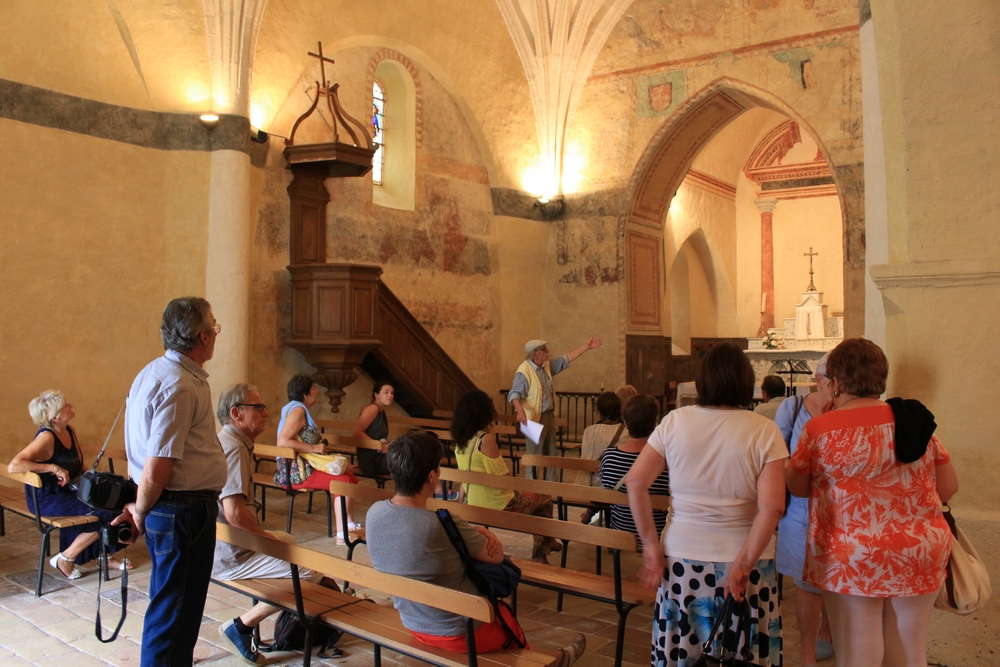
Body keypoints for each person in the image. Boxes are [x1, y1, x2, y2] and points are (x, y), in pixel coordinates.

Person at [786, 338, 959, 667]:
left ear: (835, 382)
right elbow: (948, 487)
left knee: (858, 651)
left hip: (851, 555)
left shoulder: (819, 428)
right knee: (908, 650)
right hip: (917, 550)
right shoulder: (914, 421)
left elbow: (798, 487)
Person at [625, 342, 787, 667]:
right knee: (743, 654)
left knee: (685, 652)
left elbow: (635, 482)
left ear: (702, 381)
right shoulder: (764, 431)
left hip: (683, 558)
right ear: (745, 381)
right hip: (747, 560)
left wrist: (651, 547)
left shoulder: (674, 422)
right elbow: (772, 508)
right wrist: (741, 566)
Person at [366, 430, 586, 666]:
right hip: (459, 629)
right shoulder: (441, 524)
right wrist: (485, 533)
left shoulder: (374, 513)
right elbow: (497, 556)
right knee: (508, 629)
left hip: (413, 621)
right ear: (432, 476)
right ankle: (555, 661)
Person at [119, 296, 228, 667]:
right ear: (202, 335)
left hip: (174, 507)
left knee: (175, 608)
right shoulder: (180, 384)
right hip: (181, 510)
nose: (216, 332)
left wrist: (141, 506)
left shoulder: (154, 371)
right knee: (175, 612)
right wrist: (139, 512)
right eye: (214, 325)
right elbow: (158, 466)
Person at [213, 383, 329, 663]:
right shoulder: (233, 449)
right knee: (309, 572)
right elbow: (235, 515)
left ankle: (290, 613)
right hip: (230, 553)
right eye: (259, 407)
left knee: (288, 542)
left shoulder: (229, 440)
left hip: (223, 542)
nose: (267, 412)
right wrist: (265, 539)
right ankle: (242, 625)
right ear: (236, 414)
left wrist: (270, 538)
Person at [8, 390, 131, 579]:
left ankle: (103, 555)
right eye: (66, 406)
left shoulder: (69, 430)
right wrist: (53, 468)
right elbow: (14, 465)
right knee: (108, 510)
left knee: (118, 499)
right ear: (55, 417)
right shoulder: (46, 437)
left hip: (69, 491)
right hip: (48, 498)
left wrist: (94, 479)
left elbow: (76, 461)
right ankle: (66, 557)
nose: (70, 406)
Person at [774, 354, 835, 667]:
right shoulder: (793, 407)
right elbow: (777, 450)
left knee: (834, 579)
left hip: (837, 506)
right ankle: (807, 650)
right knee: (806, 582)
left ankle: (829, 630)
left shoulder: (845, 407)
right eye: (828, 380)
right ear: (818, 378)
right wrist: (796, 470)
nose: (832, 387)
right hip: (800, 503)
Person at [451, 390, 557, 563]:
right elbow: (504, 478)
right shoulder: (485, 439)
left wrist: (461, 504)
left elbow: (465, 478)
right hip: (498, 504)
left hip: (473, 502)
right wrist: (522, 491)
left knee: (537, 499)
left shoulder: (460, 442)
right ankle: (540, 553)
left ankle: (547, 541)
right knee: (544, 499)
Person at [278, 374, 360, 545]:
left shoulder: (295, 407)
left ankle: (349, 525)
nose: (317, 391)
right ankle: (342, 534)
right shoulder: (298, 410)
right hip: (295, 472)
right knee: (343, 482)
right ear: (305, 395)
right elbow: (283, 442)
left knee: (351, 478)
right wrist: (315, 447)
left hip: (300, 467)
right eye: (314, 388)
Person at [509, 337, 602, 480]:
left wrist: (586, 346)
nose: (548, 351)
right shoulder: (524, 371)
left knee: (551, 455)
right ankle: (531, 492)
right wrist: (520, 411)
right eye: (544, 349)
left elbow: (566, 359)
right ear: (535, 354)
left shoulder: (545, 366)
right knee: (533, 457)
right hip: (532, 420)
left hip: (548, 416)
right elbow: (514, 394)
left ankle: (550, 488)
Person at [598, 394, 669, 539]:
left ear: (625, 423)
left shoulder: (609, 456)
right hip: (658, 536)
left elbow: (606, 485)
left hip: (622, 535)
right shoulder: (666, 461)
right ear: (655, 424)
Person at [576, 391, 628, 488]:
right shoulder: (628, 430)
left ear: (599, 411)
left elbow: (586, 464)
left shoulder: (591, 431)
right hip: (624, 488)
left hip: (599, 488)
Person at [352, 381, 395, 478]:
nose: (390, 395)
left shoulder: (381, 411)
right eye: (386, 392)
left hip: (377, 456)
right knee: (408, 464)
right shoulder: (373, 408)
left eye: (392, 393)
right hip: (372, 460)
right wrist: (380, 447)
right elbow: (357, 433)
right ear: (376, 395)